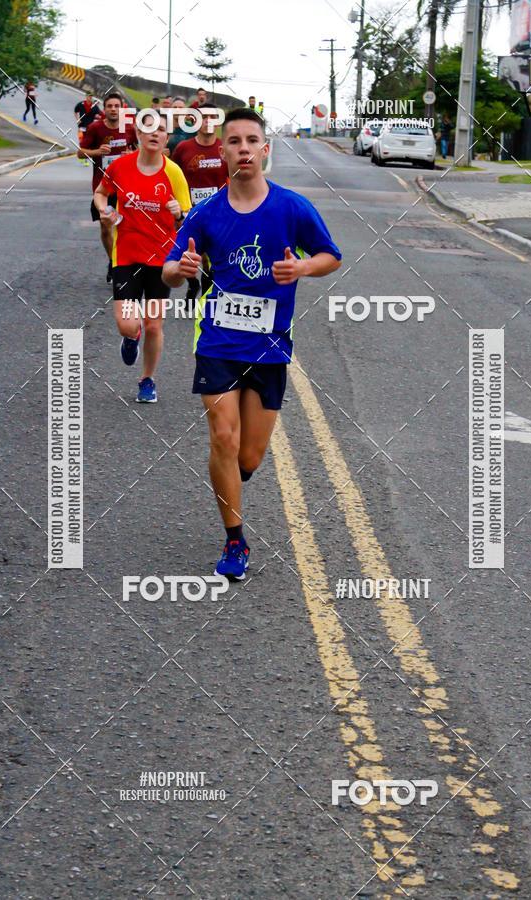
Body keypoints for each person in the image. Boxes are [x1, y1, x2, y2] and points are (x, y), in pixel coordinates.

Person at [162, 108, 341, 579]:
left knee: (249, 456)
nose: (243, 148)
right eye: (233, 141)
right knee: (223, 436)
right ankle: (235, 541)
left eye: (251, 140)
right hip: (217, 341)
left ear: (265, 150)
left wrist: (301, 268)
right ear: (221, 151)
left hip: (269, 347)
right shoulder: (205, 212)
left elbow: (330, 256)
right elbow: (168, 267)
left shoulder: (291, 207)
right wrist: (178, 271)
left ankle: (231, 481)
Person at [94, 112, 191, 402]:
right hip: (125, 255)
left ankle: (147, 379)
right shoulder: (121, 166)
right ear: (138, 133)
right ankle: (130, 336)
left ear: (166, 138)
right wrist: (105, 209)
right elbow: (101, 193)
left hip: (161, 259)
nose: (155, 133)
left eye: (161, 129)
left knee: (153, 324)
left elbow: (186, 220)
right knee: (128, 323)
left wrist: (178, 214)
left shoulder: (173, 172)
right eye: (148, 128)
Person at [171, 104, 229, 304]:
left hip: (218, 211)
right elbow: (172, 175)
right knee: (189, 253)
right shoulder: (183, 148)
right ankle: (192, 282)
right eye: (203, 117)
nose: (208, 121)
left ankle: (206, 296)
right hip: (189, 210)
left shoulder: (225, 148)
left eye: (213, 116)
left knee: (208, 257)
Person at [78, 92, 138, 282]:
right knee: (106, 226)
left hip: (126, 187)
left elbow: (141, 152)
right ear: (105, 109)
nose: (113, 109)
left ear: (122, 109)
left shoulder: (129, 129)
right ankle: (114, 261)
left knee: (127, 228)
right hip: (102, 187)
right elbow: (80, 153)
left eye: (116, 106)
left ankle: (122, 263)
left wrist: (132, 153)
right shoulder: (95, 128)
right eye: (110, 106)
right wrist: (97, 151)